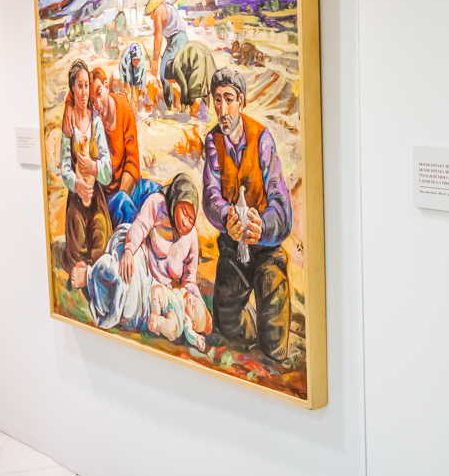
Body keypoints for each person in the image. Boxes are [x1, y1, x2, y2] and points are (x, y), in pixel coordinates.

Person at [202, 67, 293, 361]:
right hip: (233, 245)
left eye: (229, 99)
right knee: (228, 327)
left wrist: (262, 227)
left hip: (266, 249)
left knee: (275, 345)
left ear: (241, 102)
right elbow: (210, 196)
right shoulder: (213, 142)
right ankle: (253, 321)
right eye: (217, 100)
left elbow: (281, 204)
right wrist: (226, 217)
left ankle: (268, 329)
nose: (222, 109)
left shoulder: (262, 139)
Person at [85, 174, 210, 342]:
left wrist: (200, 309)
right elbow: (139, 227)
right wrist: (129, 250)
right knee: (123, 280)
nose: (185, 223)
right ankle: (89, 275)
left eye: (191, 219)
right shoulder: (157, 204)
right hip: (141, 259)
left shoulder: (191, 238)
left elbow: (189, 280)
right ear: (175, 201)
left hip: (158, 287)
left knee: (132, 317)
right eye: (184, 212)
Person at [85, 68, 161, 227]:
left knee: (161, 192)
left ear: (106, 86)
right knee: (124, 205)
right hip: (109, 197)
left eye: (99, 94)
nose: (97, 104)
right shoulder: (92, 124)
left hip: (130, 185)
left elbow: (132, 161)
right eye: (92, 101)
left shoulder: (124, 109)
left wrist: (125, 190)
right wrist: (121, 195)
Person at [60, 60, 113, 288]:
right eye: (79, 86)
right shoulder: (68, 124)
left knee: (100, 237)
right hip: (77, 198)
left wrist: (93, 167)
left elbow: (107, 170)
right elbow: (64, 167)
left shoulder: (96, 122)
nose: (84, 92)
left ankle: (93, 276)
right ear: (73, 89)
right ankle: (82, 273)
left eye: (86, 86)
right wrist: (76, 184)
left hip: (96, 197)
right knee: (78, 244)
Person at [144, 0, 188, 105]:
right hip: (180, 39)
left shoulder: (158, 11)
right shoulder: (167, 7)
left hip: (177, 40)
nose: (151, 17)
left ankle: (169, 104)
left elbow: (158, 35)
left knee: (164, 73)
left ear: (153, 9)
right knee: (176, 71)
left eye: (150, 14)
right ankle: (179, 101)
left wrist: (155, 60)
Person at [148, 282, 211, 351]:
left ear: (193, 324)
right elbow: (190, 287)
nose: (191, 301)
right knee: (157, 290)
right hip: (170, 299)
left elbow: (189, 332)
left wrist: (196, 338)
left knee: (171, 327)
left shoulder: (187, 320)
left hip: (176, 319)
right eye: (193, 299)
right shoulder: (182, 293)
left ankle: (159, 322)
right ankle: (155, 313)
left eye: (193, 307)